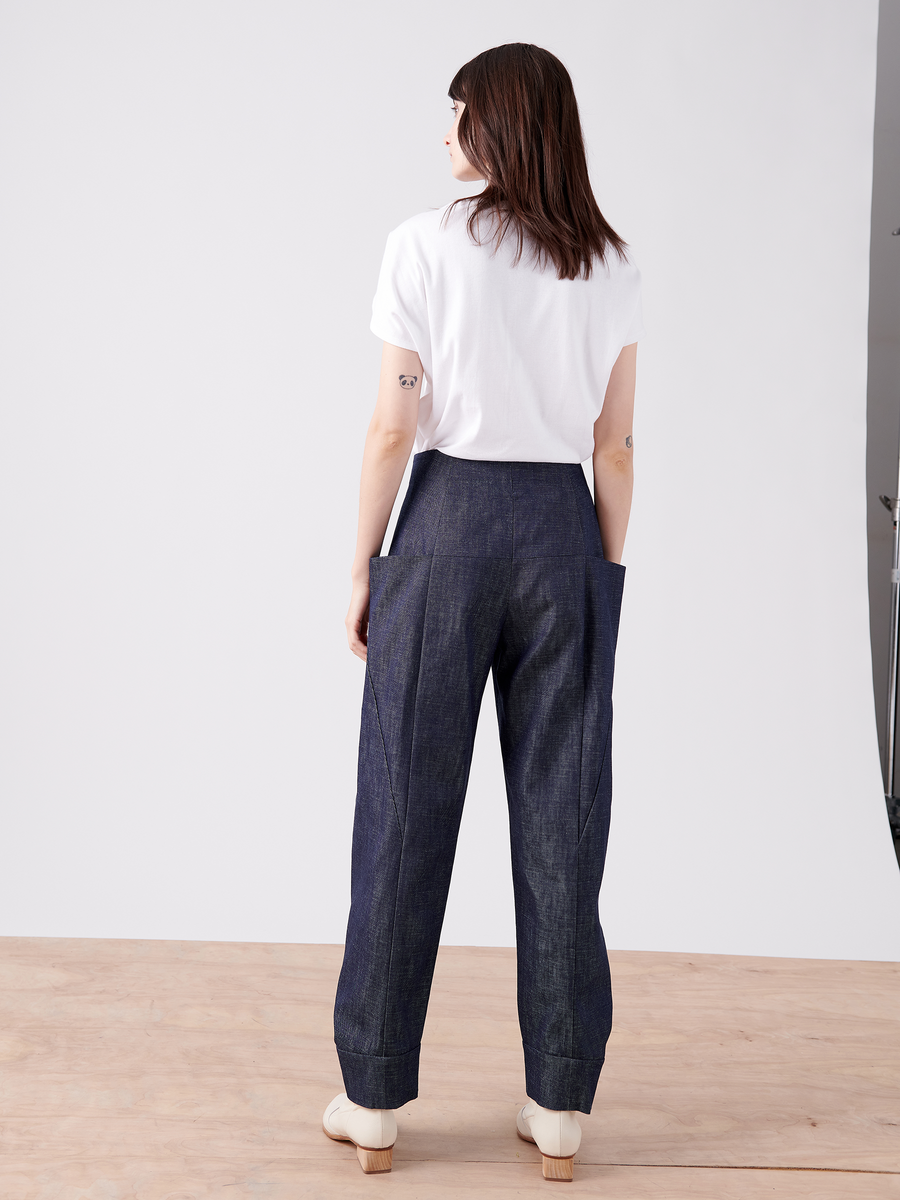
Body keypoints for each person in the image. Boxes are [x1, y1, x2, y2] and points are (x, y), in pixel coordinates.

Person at [322, 42, 644, 1183]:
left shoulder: (421, 247)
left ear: (499, 127)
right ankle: (559, 1108)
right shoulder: (606, 262)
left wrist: (365, 563)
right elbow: (613, 444)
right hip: (563, 534)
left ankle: (371, 1102)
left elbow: (390, 428)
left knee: (405, 807)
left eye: (456, 116)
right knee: (564, 821)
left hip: (446, 529)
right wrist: (603, 584)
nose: (442, 136)